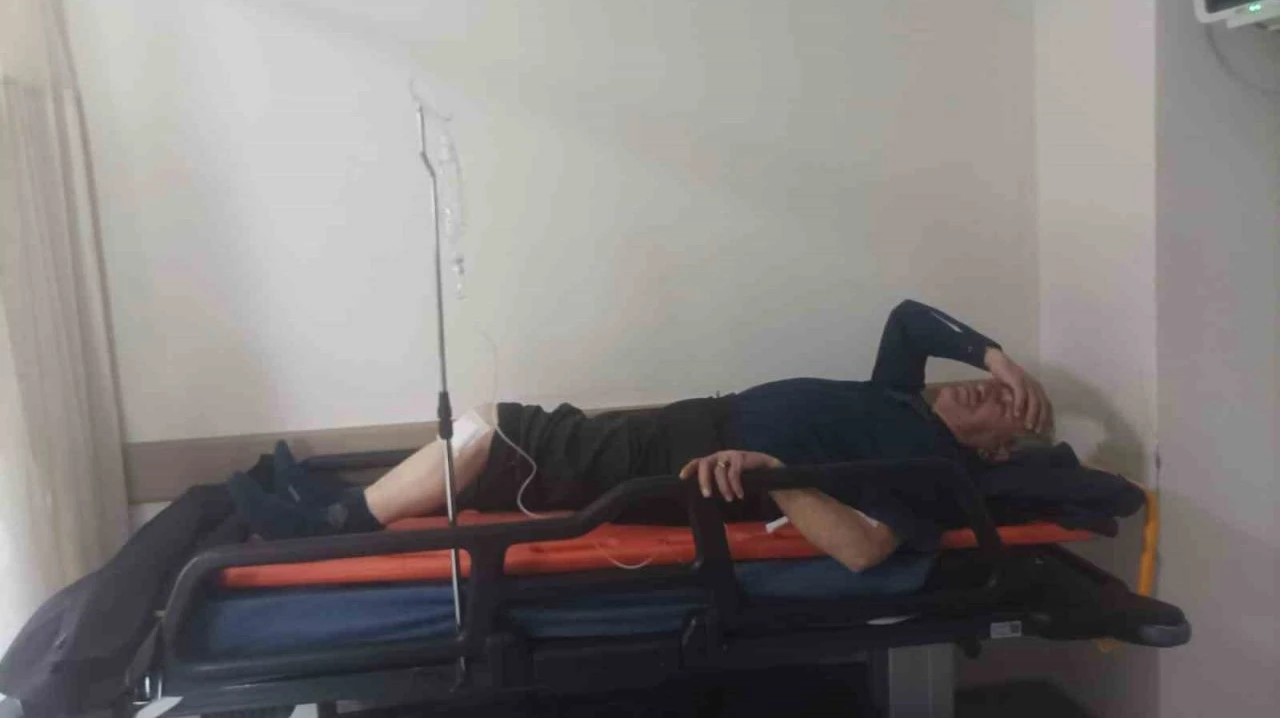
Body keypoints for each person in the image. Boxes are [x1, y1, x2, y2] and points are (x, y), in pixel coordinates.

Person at [232, 299, 1052, 573]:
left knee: (495, 431)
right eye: (997, 387)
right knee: (498, 441)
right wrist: (1000, 355)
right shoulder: (900, 398)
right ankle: (335, 501)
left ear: (996, 452)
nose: (988, 393)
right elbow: (911, 318)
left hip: (700, 466)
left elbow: (866, 550)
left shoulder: (931, 469)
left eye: (1005, 408)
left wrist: (778, 476)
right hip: (689, 423)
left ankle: (330, 524)